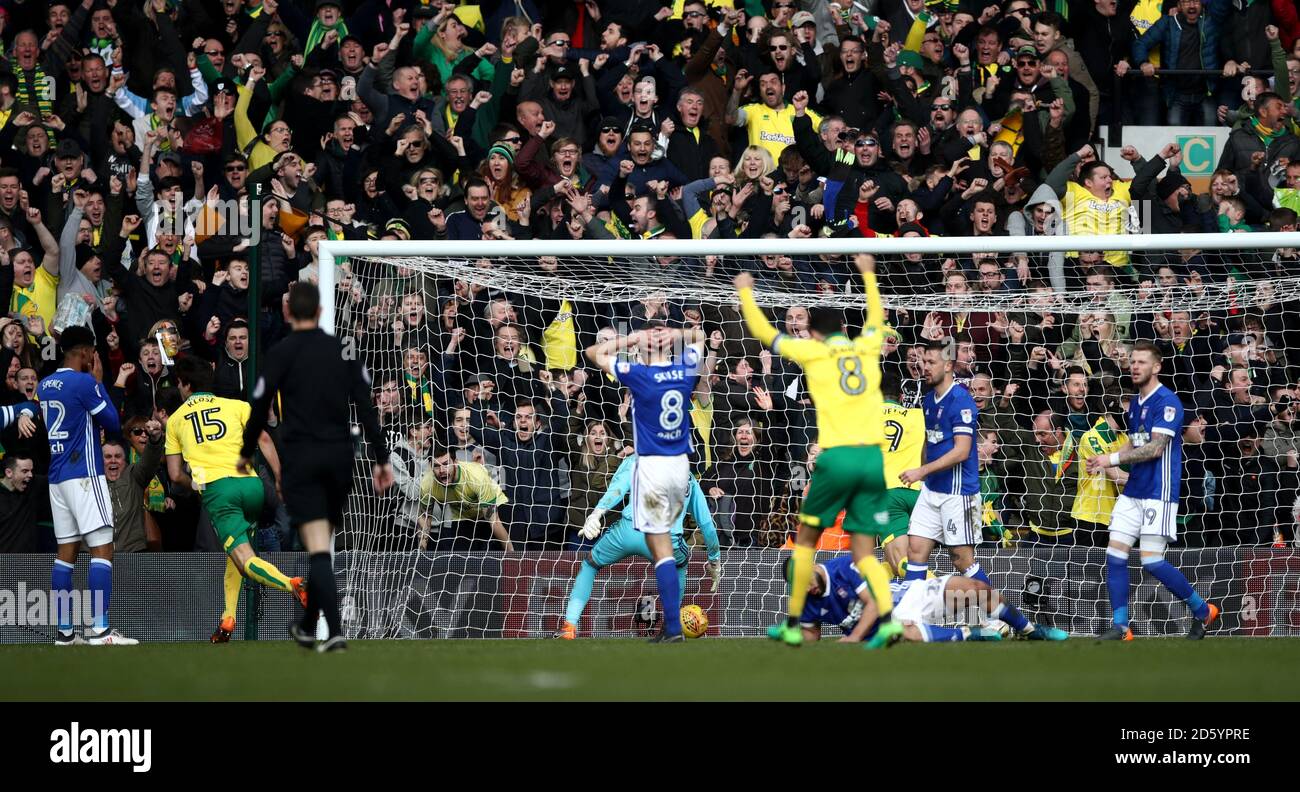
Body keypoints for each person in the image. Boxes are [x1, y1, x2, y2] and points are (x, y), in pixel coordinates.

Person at [734, 254, 900, 650]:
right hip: (873, 460)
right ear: (844, 328)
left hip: (838, 456)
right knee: (864, 551)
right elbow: (877, 314)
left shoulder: (813, 352)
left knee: (806, 539)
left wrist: (745, 293)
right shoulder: (867, 345)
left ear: (813, 333)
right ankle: (889, 620)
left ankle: (793, 622)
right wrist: (868, 274)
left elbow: (762, 331)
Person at [239, 283, 394, 653]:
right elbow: (366, 407)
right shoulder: (344, 348)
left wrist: (245, 451)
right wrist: (381, 458)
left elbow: (259, 407)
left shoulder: (281, 352)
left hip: (303, 458)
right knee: (321, 542)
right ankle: (309, 627)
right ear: (322, 312)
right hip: (340, 458)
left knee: (319, 549)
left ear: (290, 313)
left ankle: (335, 631)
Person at [1086, 341, 1222, 639]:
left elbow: (1156, 448)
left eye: (1141, 362)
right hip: (1133, 491)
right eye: (1132, 361)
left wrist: (1112, 459)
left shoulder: (1168, 402)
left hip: (1159, 492)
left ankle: (1202, 610)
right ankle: (1122, 626)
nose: (1134, 366)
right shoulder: (1136, 403)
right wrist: (1103, 462)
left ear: (1156, 367)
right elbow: (1135, 442)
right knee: (1115, 554)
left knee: (1151, 560)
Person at [166, 356, 305, 644]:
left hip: (220, 490)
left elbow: (174, 473)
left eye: (179, 383)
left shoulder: (177, 419)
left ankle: (295, 585)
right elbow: (264, 440)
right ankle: (227, 620)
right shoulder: (237, 405)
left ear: (187, 385)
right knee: (236, 556)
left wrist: (192, 484)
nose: (179, 388)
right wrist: (279, 479)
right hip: (252, 485)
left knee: (245, 560)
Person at [585, 321, 705, 643]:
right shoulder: (684, 370)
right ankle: (671, 624)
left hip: (651, 467)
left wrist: (632, 338)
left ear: (642, 348)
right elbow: (701, 336)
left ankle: (672, 628)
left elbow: (592, 352)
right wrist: (676, 336)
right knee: (663, 543)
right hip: (681, 468)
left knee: (660, 546)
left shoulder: (638, 373)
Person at [38, 326, 135, 646]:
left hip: (57, 477)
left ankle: (65, 634)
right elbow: (112, 422)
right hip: (84, 474)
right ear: (83, 352)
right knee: (103, 548)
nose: (95, 356)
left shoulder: (45, 384)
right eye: (92, 351)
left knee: (65, 554)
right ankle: (100, 630)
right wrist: (98, 382)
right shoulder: (82, 382)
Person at [558, 453, 721, 638]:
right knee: (680, 565)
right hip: (666, 540)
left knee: (590, 564)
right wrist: (714, 559)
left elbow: (617, 489)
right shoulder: (688, 477)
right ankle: (671, 628)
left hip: (630, 531)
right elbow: (707, 524)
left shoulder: (637, 459)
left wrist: (596, 514)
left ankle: (569, 626)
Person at [791, 554, 1068, 643]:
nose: (808, 592)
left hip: (907, 595)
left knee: (974, 588)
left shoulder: (845, 566)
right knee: (901, 629)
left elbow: (875, 603)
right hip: (889, 624)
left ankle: (1030, 630)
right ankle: (973, 633)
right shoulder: (804, 597)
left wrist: (852, 638)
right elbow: (812, 632)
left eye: (808, 584)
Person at [900, 341, 989, 588]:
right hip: (931, 490)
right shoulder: (928, 400)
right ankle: (912, 618)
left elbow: (961, 452)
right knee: (915, 551)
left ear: (948, 365)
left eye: (931, 362)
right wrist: (923, 474)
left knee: (962, 560)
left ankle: (995, 616)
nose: (924, 367)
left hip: (958, 493)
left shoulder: (961, 400)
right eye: (923, 361)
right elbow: (929, 441)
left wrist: (921, 471)